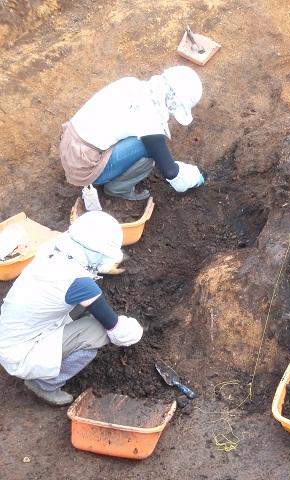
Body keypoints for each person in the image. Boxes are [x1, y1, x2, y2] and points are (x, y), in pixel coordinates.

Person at [0, 211, 143, 405]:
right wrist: (135, 330)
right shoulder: (80, 284)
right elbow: (116, 330)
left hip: (12, 333)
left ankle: (48, 365)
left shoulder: (54, 247)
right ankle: (44, 385)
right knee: (97, 331)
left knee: (86, 306)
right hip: (20, 353)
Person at [59, 66, 206, 201]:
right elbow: (171, 173)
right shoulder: (150, 122)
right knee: (150, 149)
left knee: (147, 141)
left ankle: (112, 170)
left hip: (69, 145)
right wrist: (195, 179)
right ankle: (118, 188)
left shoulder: (131, 84)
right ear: (176, 103)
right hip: (83, 166)